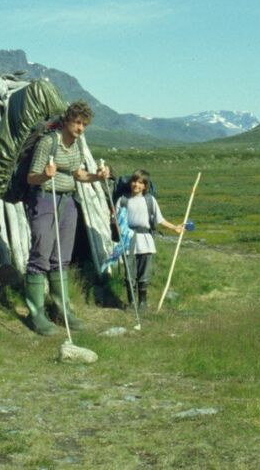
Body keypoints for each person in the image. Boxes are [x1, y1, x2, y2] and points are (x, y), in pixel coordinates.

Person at [23, 100, 110, 335]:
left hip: (68, 201)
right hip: (44, 199)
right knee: (41, 253)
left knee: (61, 256)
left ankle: (62, 310)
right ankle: (36, 314)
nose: (81, 128)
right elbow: (31, 177)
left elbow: (77, 173)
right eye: (78, 122)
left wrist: (96, 177)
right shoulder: (48, 143)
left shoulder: (78, 145)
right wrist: (45, 175)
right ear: (67, 121)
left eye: (85, 124)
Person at [116, 169, 183, 312]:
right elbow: (116, 220)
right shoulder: (122, 200)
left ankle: (143, 302)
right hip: (128, 240)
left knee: (143, 272)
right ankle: (131, 302)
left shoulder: (150, 200)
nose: (136, 185)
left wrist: (174, 228)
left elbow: (160, 219)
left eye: (140, 183)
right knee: (129, 273)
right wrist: (113, 220)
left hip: (145, 240)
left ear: (145, 186)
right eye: (134, 181)